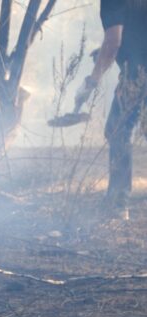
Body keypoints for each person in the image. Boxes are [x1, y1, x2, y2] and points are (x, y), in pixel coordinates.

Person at [75, 0, 147, 220]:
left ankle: (117, 204)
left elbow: (113, 42)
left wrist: (90, 82)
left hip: (138, 75)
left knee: (117, 129)